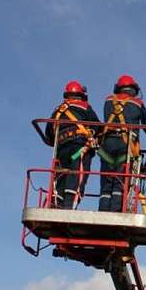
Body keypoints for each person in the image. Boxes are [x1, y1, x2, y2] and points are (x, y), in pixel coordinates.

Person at [98, 74, 146, 212]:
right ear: (134, 89)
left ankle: (103, 211)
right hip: (125, 146)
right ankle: (116, 212)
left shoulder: (108, 101)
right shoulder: (137, 104)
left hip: (106, 145)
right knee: (120, 181)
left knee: (106, 183)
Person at [43, 81, 101, 209]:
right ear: (81, 95)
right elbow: (98, 126)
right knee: (76, 177)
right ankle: (69, 207)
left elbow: (48, 136)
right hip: (80, 147)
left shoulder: (57, 110)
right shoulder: (84, 107)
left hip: (61, 149)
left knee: (61, 176)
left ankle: (56, 205)